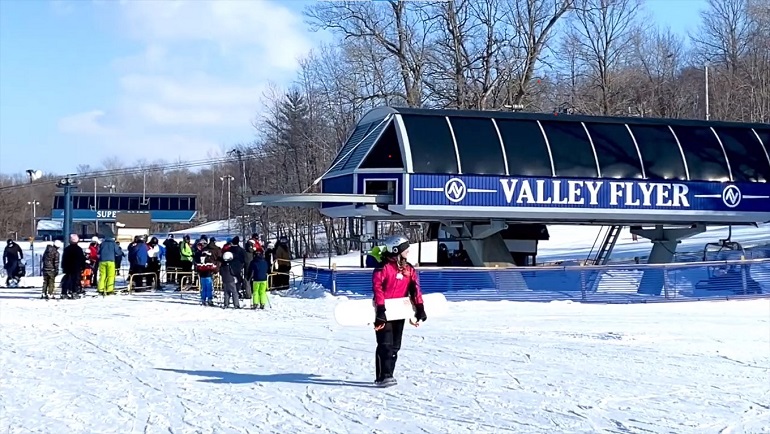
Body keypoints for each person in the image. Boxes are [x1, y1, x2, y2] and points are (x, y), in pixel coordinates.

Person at [371, 235, 427, 387]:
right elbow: (378, 288)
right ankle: (384, 376)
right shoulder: (383, 268)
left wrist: (420, 307)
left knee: (395, 346)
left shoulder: (408, 269)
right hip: (383, 312)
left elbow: (415, 289)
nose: (408, 252)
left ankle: (387, 374)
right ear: (397, 251)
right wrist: (381, 310)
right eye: (405, 250)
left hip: (399, 311)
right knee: (385, 344)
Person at [61, 234, 85, 299]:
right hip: (76, 268)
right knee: (75, 280)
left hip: (68, 267)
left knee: (67, 280)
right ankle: (74, 292)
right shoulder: (79, 249)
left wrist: (63, 267)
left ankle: (64, 292)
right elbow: (82, 259)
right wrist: (83, 267)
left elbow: (64, 259)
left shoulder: (67, 249)